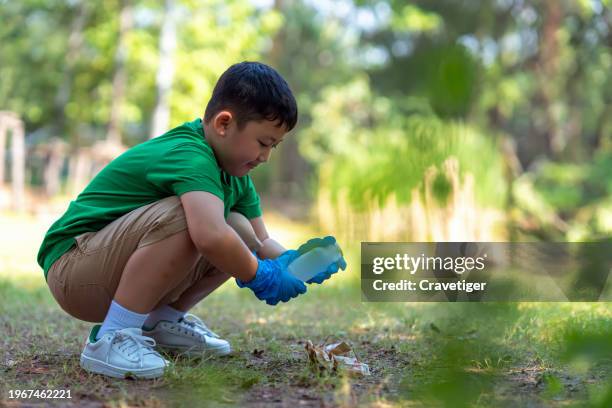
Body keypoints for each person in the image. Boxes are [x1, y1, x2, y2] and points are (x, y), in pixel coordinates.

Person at [37, 61, 346, 379]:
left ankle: (161, 321)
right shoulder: (191, 155)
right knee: (198, 220)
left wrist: (295, 264)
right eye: (263, 143)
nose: (265, 157)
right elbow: (210, 236)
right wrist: (261, 276)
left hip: (109, 267)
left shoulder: (234, 172)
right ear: (224, 123)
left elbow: (259, 241)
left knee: (235, 227)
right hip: (74, 269)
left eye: (274, 147)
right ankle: (112, 336)